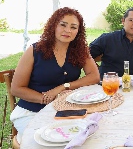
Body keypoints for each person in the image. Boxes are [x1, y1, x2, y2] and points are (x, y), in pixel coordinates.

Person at [10, 7, 100, 143]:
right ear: (54, 26)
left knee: (85, 137)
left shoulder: (80, 51)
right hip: (31, 111)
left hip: (65, 111)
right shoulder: (34, 50)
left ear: (78, 32)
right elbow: (16, 89)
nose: (68, 30)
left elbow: (94, 76)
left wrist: (64, 87)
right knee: (51, 141)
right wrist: (45, 99)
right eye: (63, 25)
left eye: (73, 27)